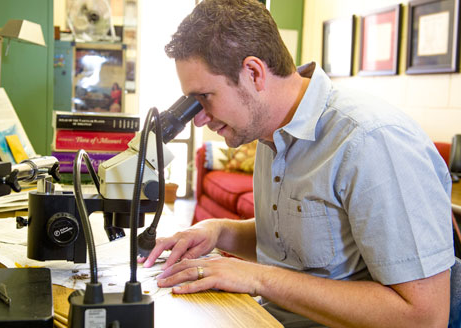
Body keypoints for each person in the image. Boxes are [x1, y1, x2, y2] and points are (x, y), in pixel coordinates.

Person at [138, 0, 455, 327]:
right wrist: (216, 232)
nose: (199, 120)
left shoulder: (372, 141)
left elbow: (424, 317)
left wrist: (259, 278)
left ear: (253, 73)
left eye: (204, 97)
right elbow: (302, 239)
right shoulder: (268, 131)